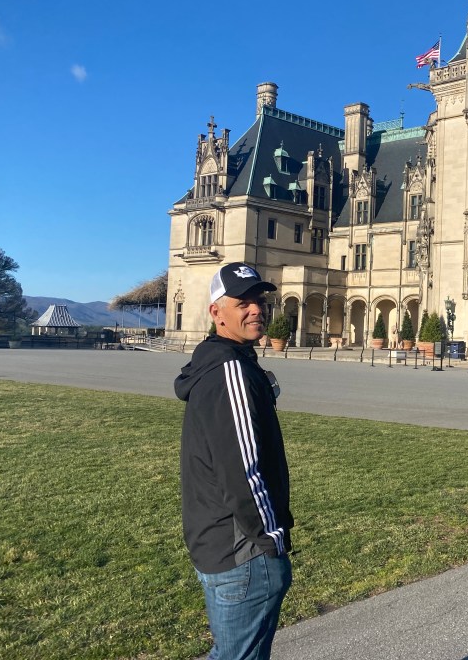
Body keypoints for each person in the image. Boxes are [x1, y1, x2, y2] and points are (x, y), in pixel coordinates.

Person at [175, 262, 294, 660]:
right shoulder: (230, 370)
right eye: (242, 303)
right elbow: (243, 469)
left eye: (259, 300)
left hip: (218, 541)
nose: (256, 309)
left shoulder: (219, 361)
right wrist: (270, 538)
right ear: (217, 312)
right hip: (243, 550)